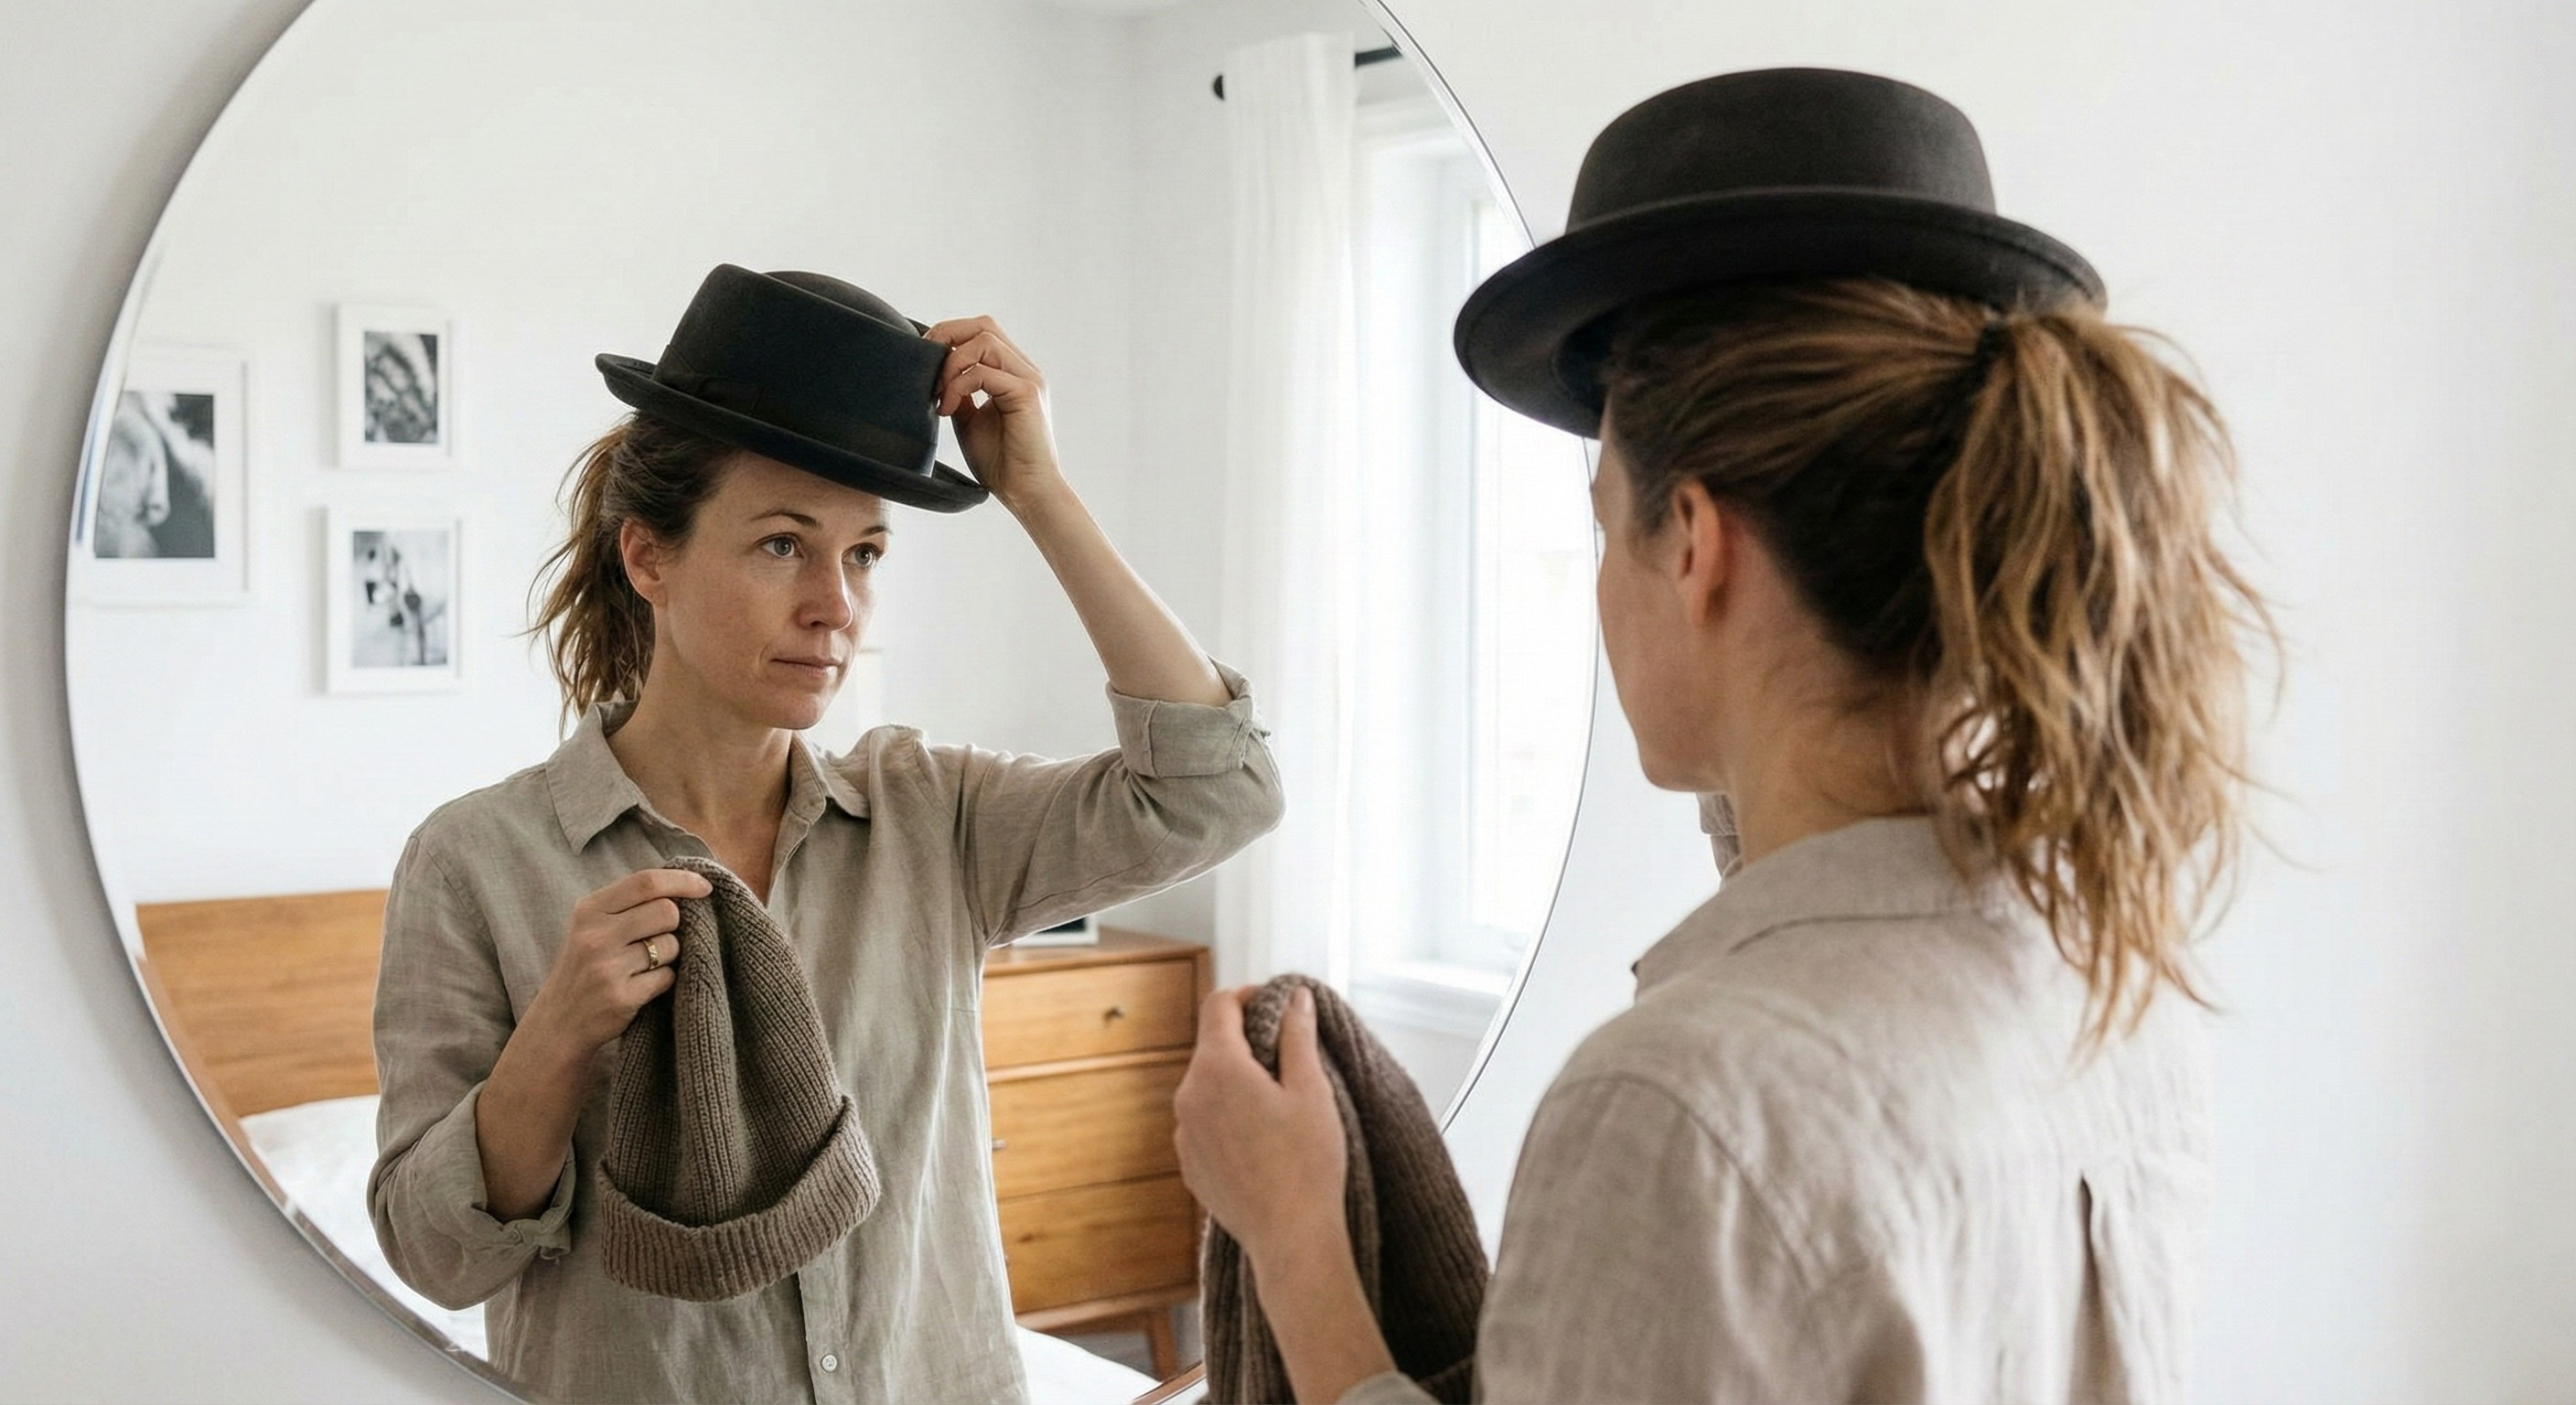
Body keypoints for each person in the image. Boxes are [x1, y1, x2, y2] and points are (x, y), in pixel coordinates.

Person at [1173, 69, 2270, 1404]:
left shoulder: (1683, 1110)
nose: (1596, 585)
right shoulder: (2109, 971)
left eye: (1602, 523)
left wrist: (1296, 1240)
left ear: (1691, 543)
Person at [367, 266, 1283, 1403]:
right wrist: (555, 1034)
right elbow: (435, 1255)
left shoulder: (930, 816)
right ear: (649, 556)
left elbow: (1215, 791)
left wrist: (1039, 491)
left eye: (863, 554)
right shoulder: (477, 863)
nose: (835, 606)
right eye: (782, 546)